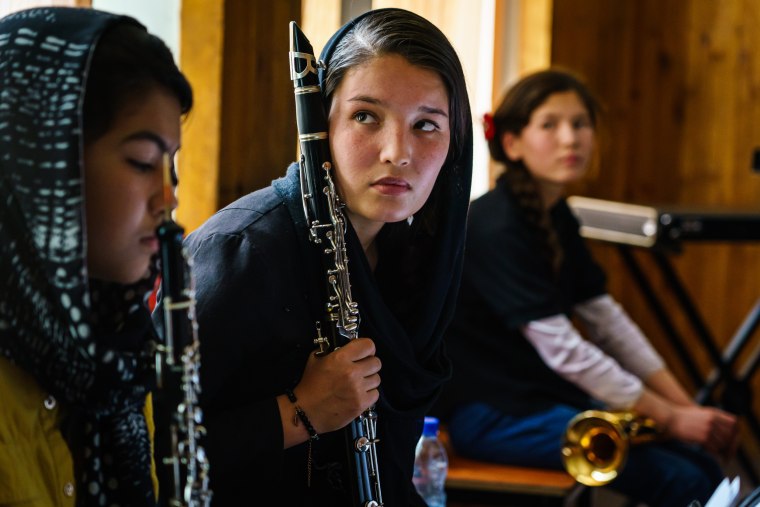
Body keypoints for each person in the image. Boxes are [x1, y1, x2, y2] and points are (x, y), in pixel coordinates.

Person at [162, 7, 472, 505]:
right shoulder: (241, 252)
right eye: (366, 116)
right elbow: (149, 449)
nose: (398, 151)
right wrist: (299, 411)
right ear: (320, 123)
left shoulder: (414, 259)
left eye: (427, 125)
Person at [435, 68, 739, 507]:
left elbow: (609, 323)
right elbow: (565, 350)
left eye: (580, 124)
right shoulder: (493, 225)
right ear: (512, 142)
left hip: (544, 399)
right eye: (550, 125)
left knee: (700, 466)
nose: (570, 138)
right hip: (490, 414)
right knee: (679, 477)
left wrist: (686, 410)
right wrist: (671, 418)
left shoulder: (557, 215)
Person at [0, 7, 192, 506]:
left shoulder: (118, 348)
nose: (168, 198)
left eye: (171, 166)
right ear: (40, 169)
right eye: (142, 162)